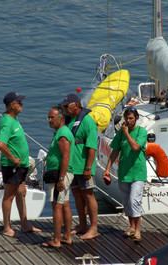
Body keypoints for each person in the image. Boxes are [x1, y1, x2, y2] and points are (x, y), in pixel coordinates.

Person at [0, 92, 41, 238]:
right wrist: (13, 159)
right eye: (19, 103)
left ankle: (24, 224)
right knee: (9, 196)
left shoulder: (14, 119)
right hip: (12, 166)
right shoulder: (7, 122)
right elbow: (1, 144)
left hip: (21, 166)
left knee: (21, 192)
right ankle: (7, 228)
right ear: (12, 105)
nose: (22, 105)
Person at [102, 107, 147, 241]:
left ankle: (138, 230)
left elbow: (135, 147)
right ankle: (131, 227)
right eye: (126, 118)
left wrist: (126, 133)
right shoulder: (121, 134)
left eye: (130, 118)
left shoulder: (141, 132)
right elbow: (114, 151)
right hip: (124, 172)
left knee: (134, 201)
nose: (128, 121)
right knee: (127, 202)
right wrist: (107, 169)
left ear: (136, 118)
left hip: (138, 173)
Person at [60, 93, 99, 240]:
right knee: (77, 194)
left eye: (67, 105)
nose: (65, 108)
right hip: (71, 166)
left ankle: (93, 228)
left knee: (88, 195)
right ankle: (82, 224)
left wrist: (88, 167)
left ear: (76, 105)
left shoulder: (88, 121)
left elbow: (92, 147)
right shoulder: (69, 120)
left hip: (84, 166)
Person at [41, 106, 75, 248]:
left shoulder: (62, 134)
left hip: (60, 175)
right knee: (64, 204)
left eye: (52, 118)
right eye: (48, 117)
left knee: (57, 206)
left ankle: (56, 240)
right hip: (61, 173)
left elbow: (66, 157)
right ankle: (66, 236)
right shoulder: (60, 132)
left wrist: (61, 179)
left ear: (61, 118)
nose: (49, 120)